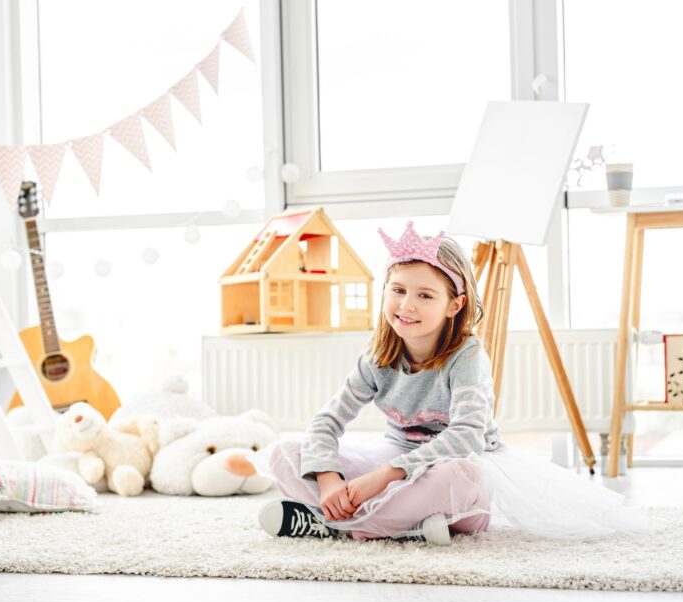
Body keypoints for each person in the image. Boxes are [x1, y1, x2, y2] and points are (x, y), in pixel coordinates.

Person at [255, 222, 651, 544]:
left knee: (462, 477)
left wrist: (383, 477)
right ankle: (387, 525)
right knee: (286, 453)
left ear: (454, 305)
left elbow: (465, 437)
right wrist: (328, 480)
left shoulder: (467, 356)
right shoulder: (377, 357)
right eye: (398, 290)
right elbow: (326, 422)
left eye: (425, 295)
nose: (407, 305)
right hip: (396, 463)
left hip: (448, 470)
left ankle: (336, 525)